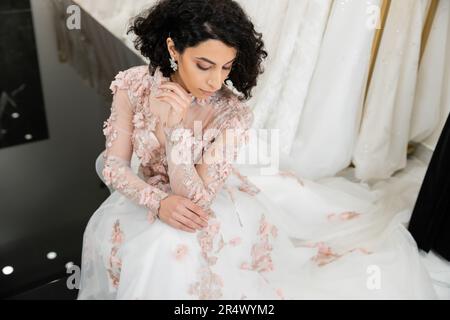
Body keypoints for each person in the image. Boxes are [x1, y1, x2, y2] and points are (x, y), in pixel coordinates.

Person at [78, 0, 437, 299]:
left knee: (174, 246)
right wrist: (158, 201)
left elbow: (198, 199)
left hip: (208, 200)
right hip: (148, 197)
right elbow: (114, 168)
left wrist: (174, 135)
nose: (215, 80)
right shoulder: (133, 85)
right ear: (173, 49)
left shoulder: (232, 113)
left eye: (225, 67)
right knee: (156, 246)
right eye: (203, 65)